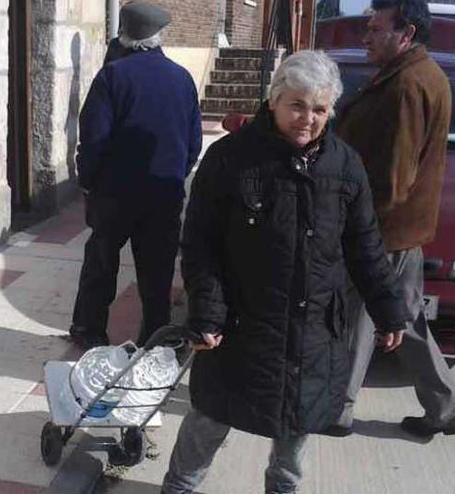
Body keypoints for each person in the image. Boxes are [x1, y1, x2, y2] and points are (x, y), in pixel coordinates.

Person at [161, 50, 408, 494]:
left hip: (312, 331)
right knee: (211, 418)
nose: (307, 119)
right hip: (241, 324)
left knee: (297, 427)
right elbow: (201, 246)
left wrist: (389, 308)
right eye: (296, 105)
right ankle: (179, 487)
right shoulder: (230, 159)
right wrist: (207, 311)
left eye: (319, 109)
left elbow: (365, 245)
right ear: (273, 100)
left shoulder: (345, 164)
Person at [326, 0, 455, 438]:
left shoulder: (408, 86)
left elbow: (391, 179)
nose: (365, 37)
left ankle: (338, 411)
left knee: (358, 316)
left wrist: (358, 228)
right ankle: (447, 411)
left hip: (383, 231)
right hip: (399, 230)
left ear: (405, 34)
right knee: (404, 317)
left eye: (375, 29)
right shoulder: (409, 75)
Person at [69, 2, 203, 349]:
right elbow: (193, 143)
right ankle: (155, 338)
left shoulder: (112, 76)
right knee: (157, 273)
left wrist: (87, 181)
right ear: (160, 36)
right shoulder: (182, 78)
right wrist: (176, 174)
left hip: (114, 194)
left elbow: (93, 138)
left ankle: (90, 330)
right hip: (163, 193)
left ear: (124, 35)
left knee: (100, 264)